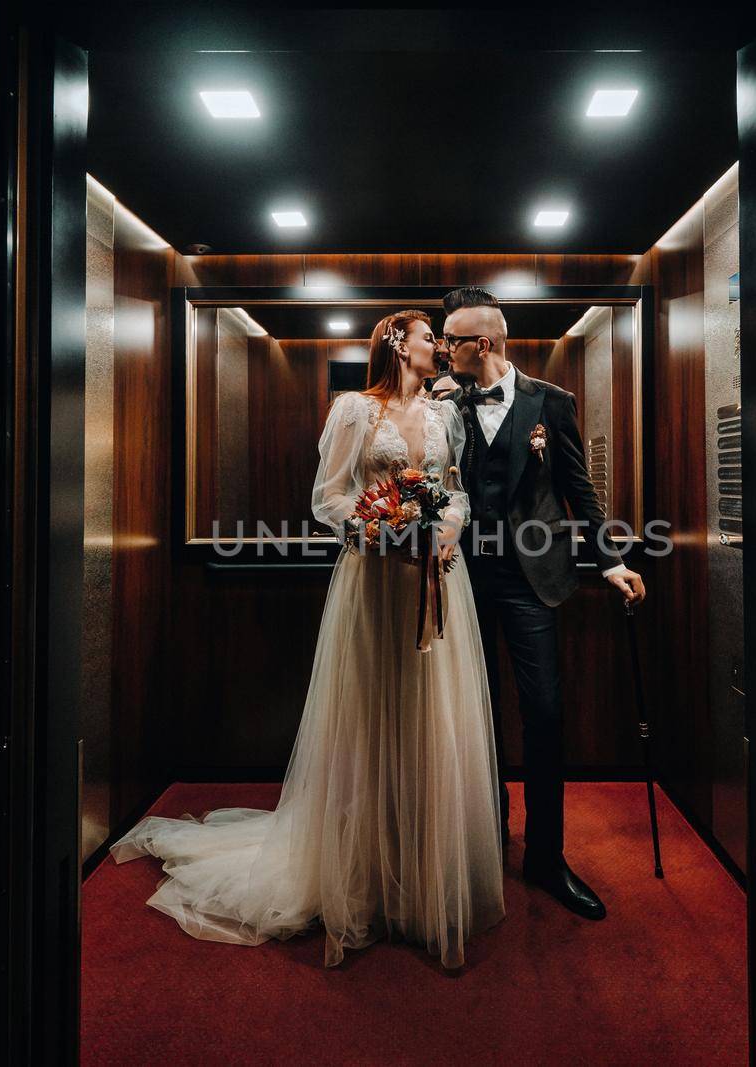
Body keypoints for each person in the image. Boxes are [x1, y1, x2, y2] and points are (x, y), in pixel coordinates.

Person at [111, 310, 505, 969]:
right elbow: (329, 498)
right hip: (374, 583)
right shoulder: (354, 409)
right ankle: (358, 878)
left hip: (435, 581)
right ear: (393, 344)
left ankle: (424, 883)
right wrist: (377, 530)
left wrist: (445, 529)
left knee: (431, 722)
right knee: (371, 717)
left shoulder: (445, 416)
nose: (438, 344)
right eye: (427, 335)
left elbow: (456, 492)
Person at [435, 286, 645, 921]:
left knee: (545, 712)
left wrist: (609, 561)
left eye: (452, 342)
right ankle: (485, 836)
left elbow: (579, 487)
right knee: (476, 712)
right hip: (463, 576)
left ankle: (547, 856)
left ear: (484, 344)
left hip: (533, 579)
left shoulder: (551, 403)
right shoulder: (445, 402)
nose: (444, 351)